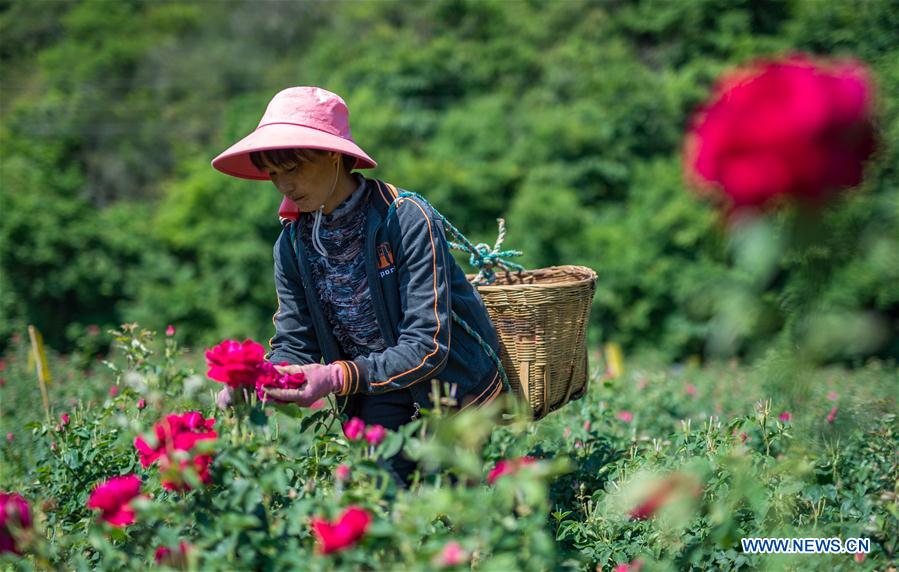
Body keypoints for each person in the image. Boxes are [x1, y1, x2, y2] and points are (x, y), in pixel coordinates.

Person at [210, 86, 505, 486]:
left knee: (453, 516)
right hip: (374, 391)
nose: (283, 184)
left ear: (333, 154)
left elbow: (428, 344)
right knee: (385, 509)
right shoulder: (293, 244)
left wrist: (334, 377)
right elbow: (296, 341)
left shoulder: (406, 220)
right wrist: (259, 379)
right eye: (274, 173)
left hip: (450, 392)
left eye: (293, 167)